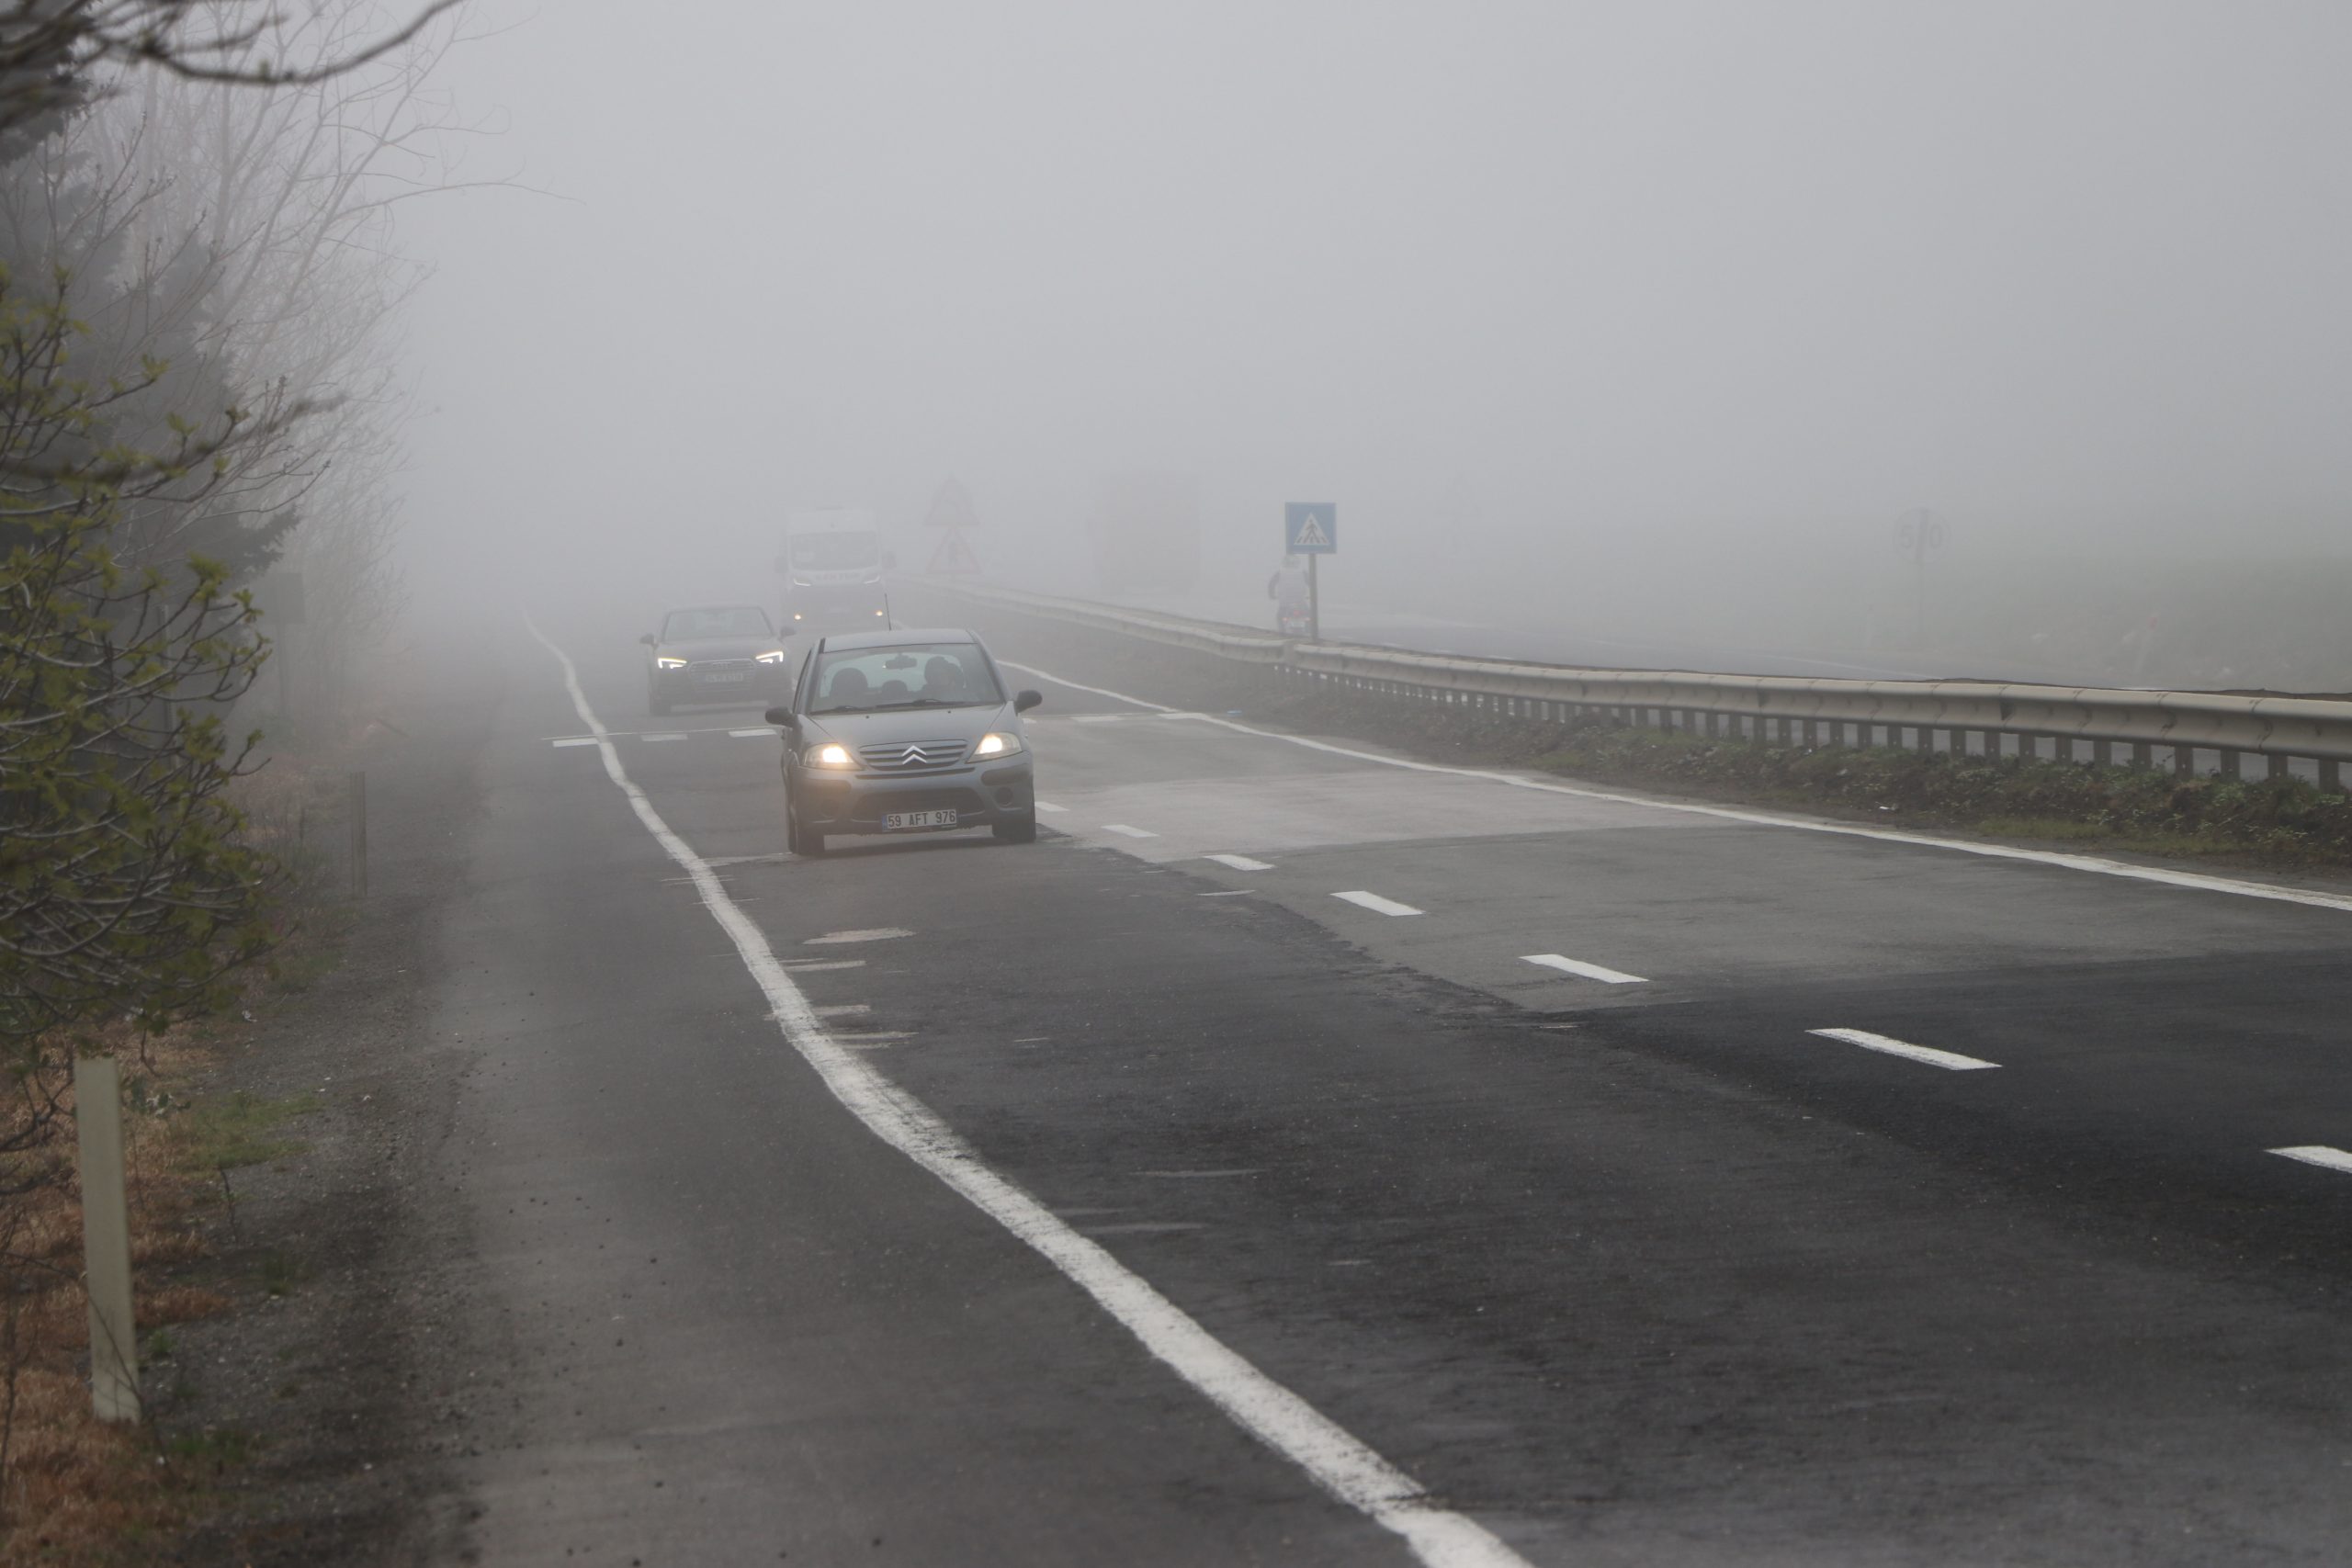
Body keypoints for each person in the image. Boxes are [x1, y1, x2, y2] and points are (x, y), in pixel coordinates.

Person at [1266, 554, 1310, 626]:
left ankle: (1282, 629)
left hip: (1285, 599)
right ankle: (1308, 627)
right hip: (1300, 598)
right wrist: (1312, 594)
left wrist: (1272, 595)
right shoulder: (1302, 572)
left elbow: (1272, 584)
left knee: (1280, 615)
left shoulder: (1280, 572)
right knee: (1308, 613)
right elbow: (1311, 583)